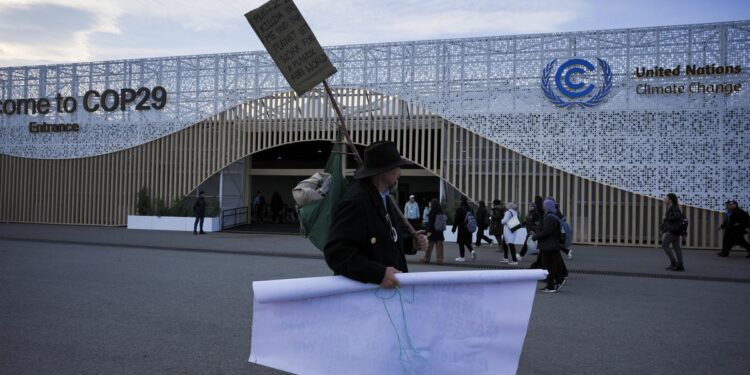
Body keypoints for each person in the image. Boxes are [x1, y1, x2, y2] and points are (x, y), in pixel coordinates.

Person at [324, 141, 428, 288]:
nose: (400, 172)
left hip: (386, 296)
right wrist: (377, 274)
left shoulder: (383, 196)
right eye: (396, 167)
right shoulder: (357, 202)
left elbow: (384, 238)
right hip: (368, 298)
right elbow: (336, 253)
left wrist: (411, 243)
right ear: (384, 171)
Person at [533, 199, 566, 292]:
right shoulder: (553, 216)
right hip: (551, 245)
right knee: (551, 264)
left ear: (547, 206)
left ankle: (552, 285)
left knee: (548, 266)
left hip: (548, 245)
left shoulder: (549, 217)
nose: (543, 206)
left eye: (544, 205)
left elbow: (547, 232)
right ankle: (557, 281)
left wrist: (535, 236)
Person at [661, 193, 685, 271]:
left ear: (670, 200)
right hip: (676, 230)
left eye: (666, 198)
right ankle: (680, 265)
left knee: (664, 245)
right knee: (676, 248)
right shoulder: (673, 207)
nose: (665, 199)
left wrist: (666, 217)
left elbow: (677, 216)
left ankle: (674, 263)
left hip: (672, 230)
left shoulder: (673, 207)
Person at [420, 199, 445, 265]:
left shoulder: (432, 212)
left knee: (429, 247)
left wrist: (428, 231)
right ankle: (439, 260)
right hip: (439, 232)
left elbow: (430, 223)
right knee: (439, 247)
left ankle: (426, 259)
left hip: (433, 231)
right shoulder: (441, 212)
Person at [452, 196, 475, 262]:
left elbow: (456, 219)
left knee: (461, 242)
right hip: (469, 227)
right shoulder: (470, 208)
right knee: (467, 241)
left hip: (462, 228)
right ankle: (472, 251)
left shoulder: (459, 209)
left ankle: (462, 257)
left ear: (461, 200)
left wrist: (454, 228)